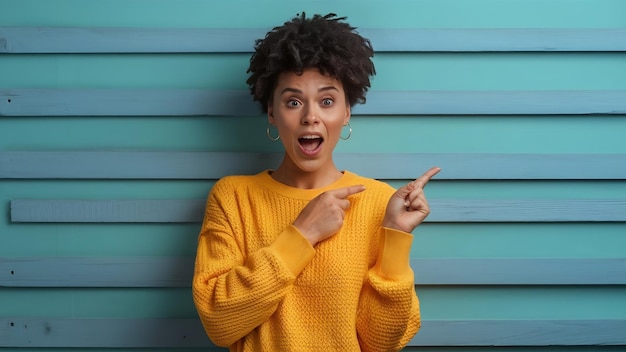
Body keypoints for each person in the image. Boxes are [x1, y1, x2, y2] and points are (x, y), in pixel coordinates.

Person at [192, 12, 440, 352]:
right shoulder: (233, 198)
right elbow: (219, 323)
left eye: (327, 101)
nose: (311, 116)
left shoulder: (380, 202)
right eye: (293, 102)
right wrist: (303, 234)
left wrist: (395, 237)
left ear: (346, 111)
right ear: (271, 112)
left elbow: (382, 342)